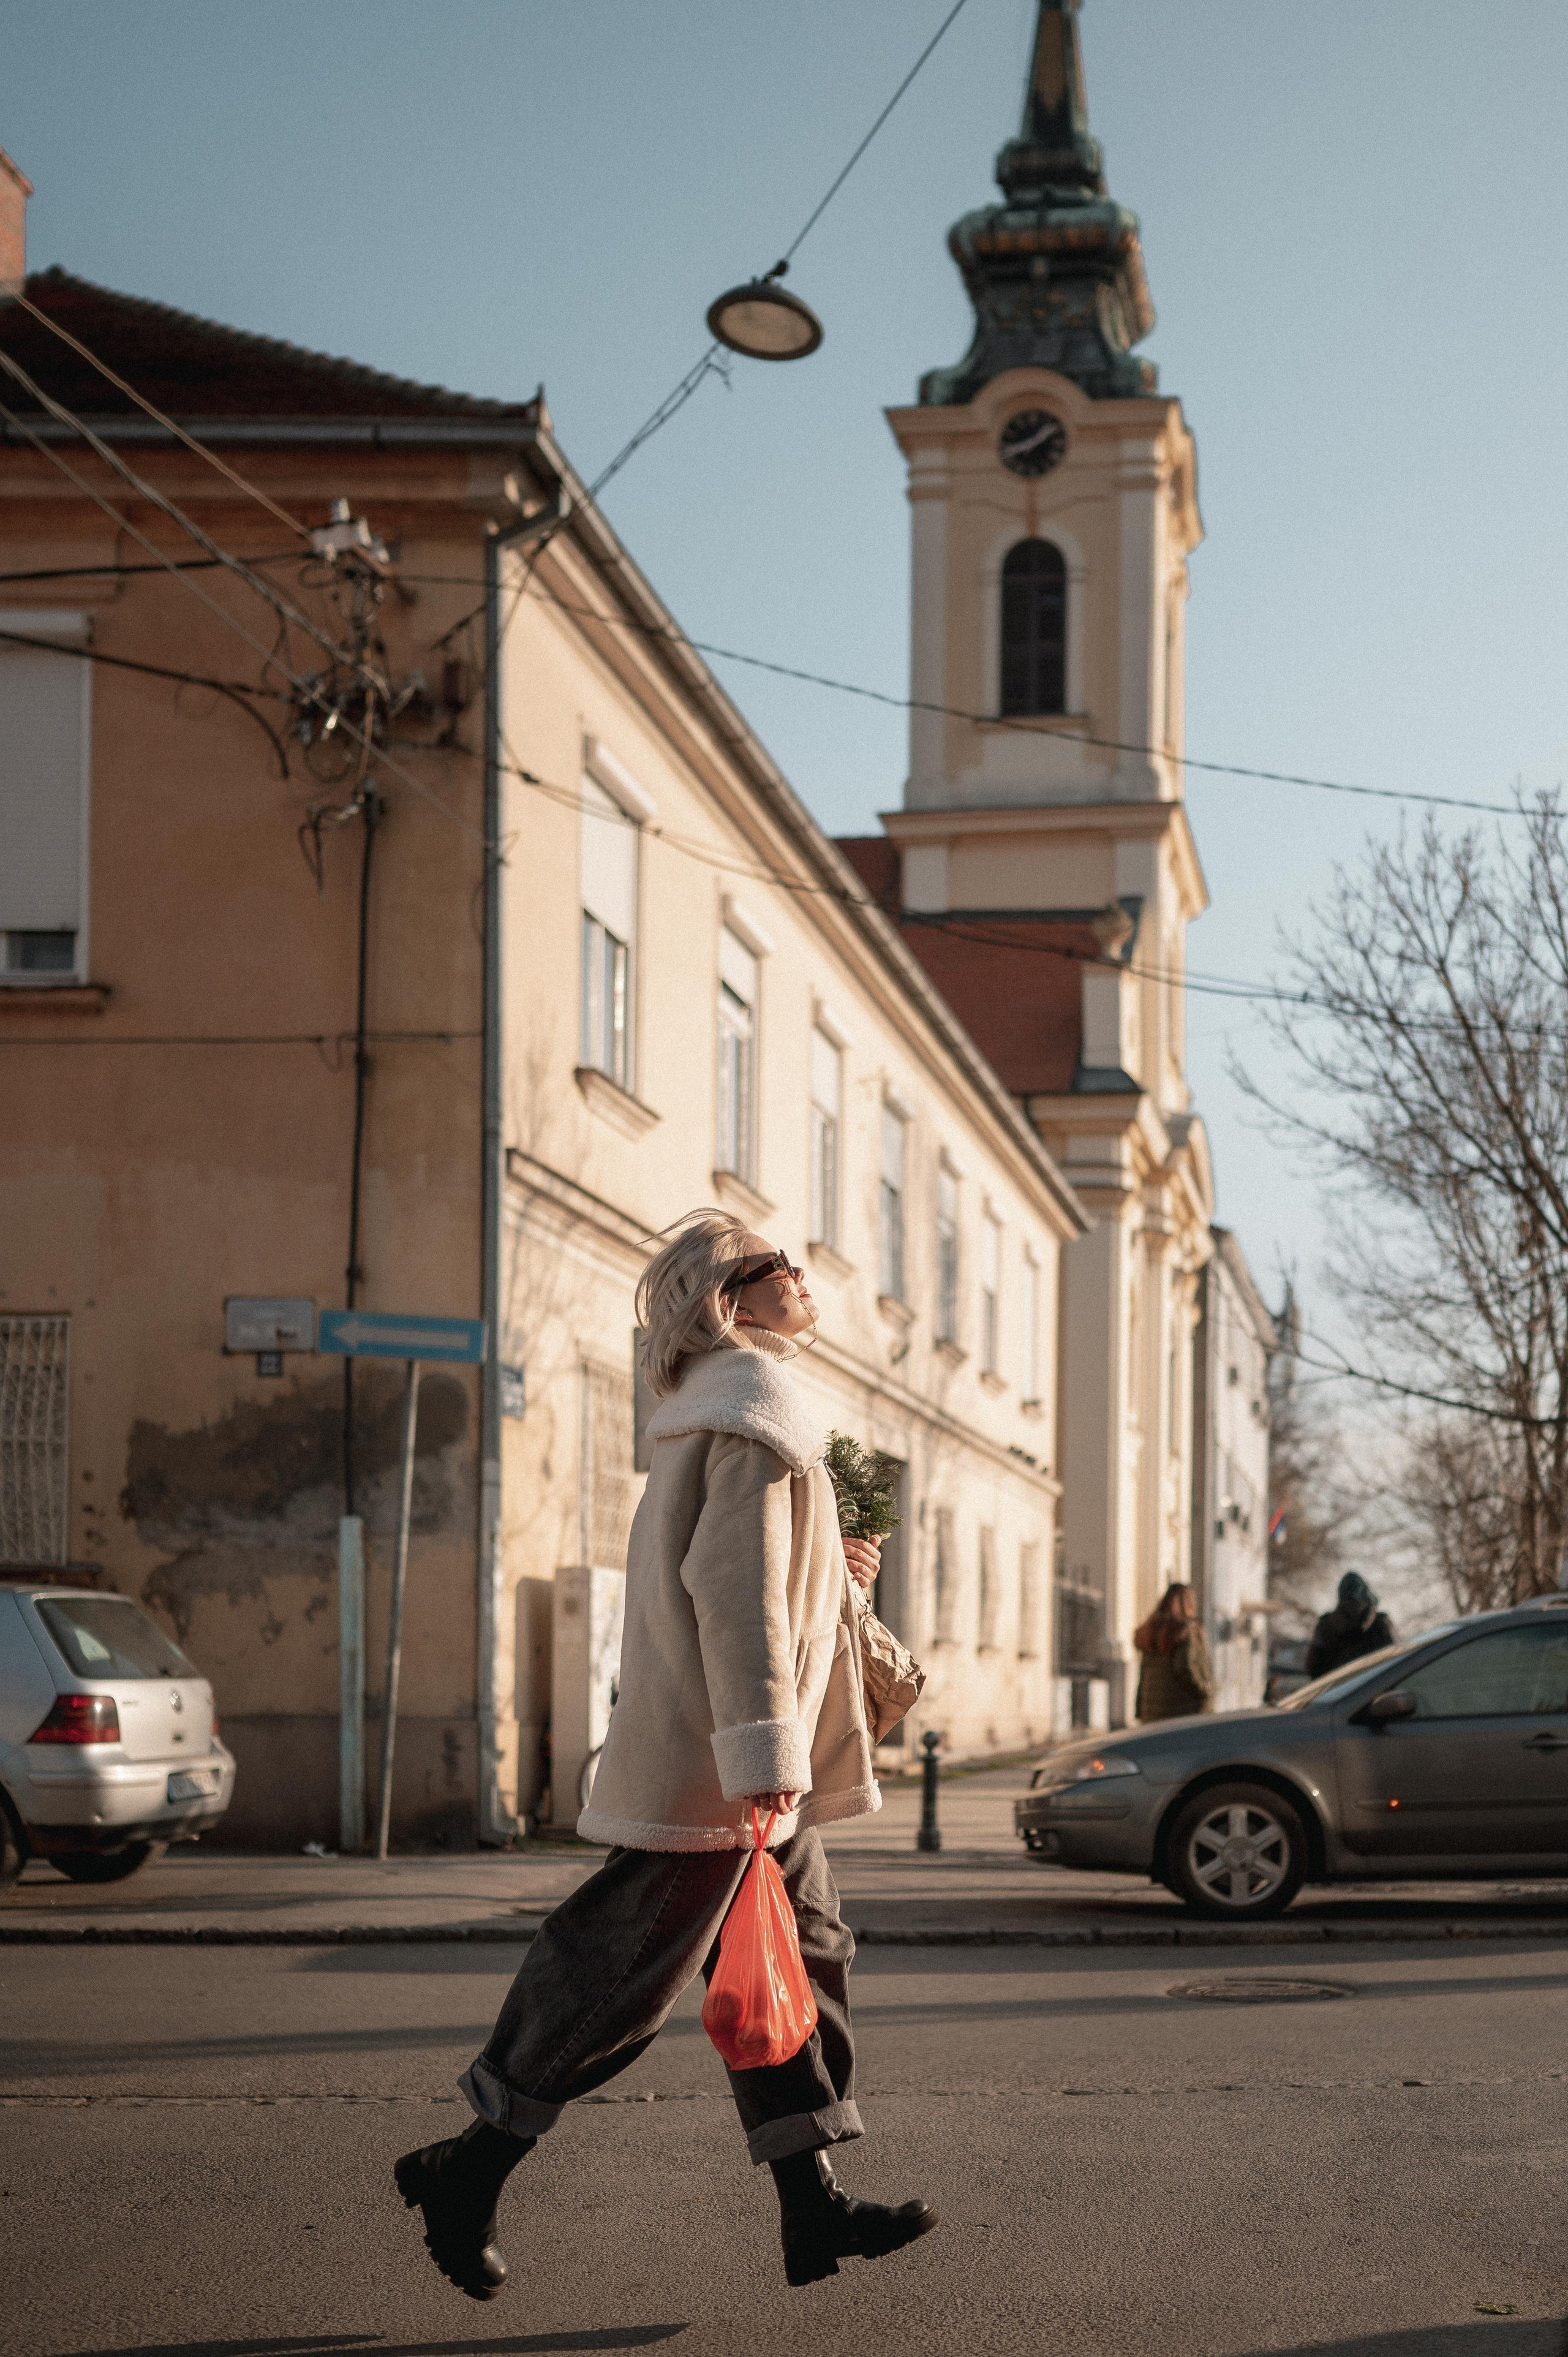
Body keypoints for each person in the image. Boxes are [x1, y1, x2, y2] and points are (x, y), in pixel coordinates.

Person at [393, 1210, 937, 2300]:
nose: (799, 1270)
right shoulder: (749, 1414)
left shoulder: (750, 1410)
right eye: (774, 1262)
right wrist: (761, 1749)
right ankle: (467, 2165)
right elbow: (733, 1599)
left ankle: (811, 2205)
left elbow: (770, 1582)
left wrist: (842, 1569)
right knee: (614, 1976)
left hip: (743, 1766)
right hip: (722, 1764)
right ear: (729, 1302)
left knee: (802, 1955)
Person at [1133, 1582, 1213, 1722]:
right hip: (1182, 1713)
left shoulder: (1151, 1630)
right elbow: (1185, 1667)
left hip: (1152, 1714)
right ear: (1188, 1603)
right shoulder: (1186, 1630)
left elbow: (1143, 1674)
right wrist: (1205, 1691)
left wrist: (1140, 1710)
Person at [1306, 1572, 1396, 1680]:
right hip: (1377, 1690)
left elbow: (1313, 1667)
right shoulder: (1382, 1623)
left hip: (1339, 1692)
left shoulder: (1327, 1625)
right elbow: (1396, 1662)